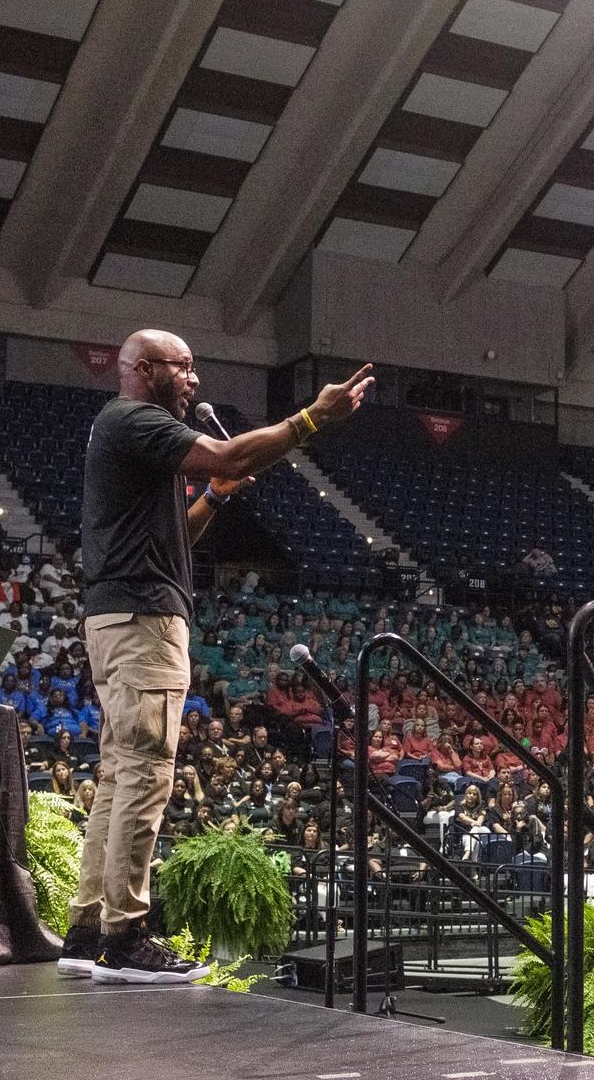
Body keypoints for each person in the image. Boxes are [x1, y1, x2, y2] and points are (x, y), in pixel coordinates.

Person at [61, 328, 372, 985]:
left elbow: (182, 531)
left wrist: (215, 497)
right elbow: (227, 451)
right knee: (146, 775)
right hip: (144, 623)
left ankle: (87, 930)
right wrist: (312, 418)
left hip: (123, 616)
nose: (195, 380)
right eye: (183, 367)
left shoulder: (129, 436)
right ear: (144, 370)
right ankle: (126, 937)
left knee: (120, 776)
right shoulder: (136, 419)